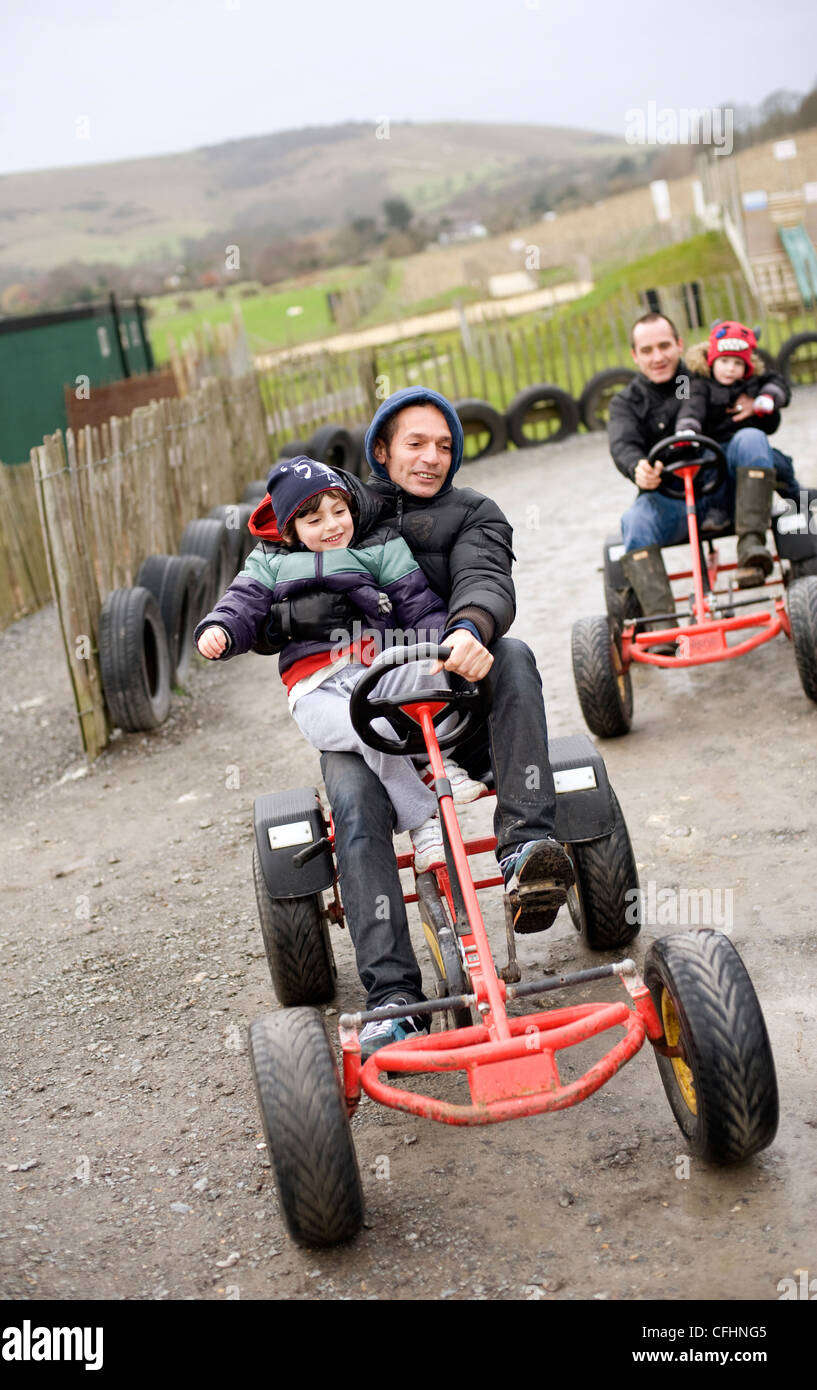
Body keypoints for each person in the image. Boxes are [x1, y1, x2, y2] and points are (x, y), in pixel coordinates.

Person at [298, 386, 574, 1059]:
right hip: (374, 725)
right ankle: (394, 995)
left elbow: (485, 580)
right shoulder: (344, 514)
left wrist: (469, 629)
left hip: (456, 705)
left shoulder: (475, 512)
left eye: (443, 445)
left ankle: (522, 851)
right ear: (382, 450)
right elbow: (278, 562)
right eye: (415, 444)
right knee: (351, 800)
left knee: (511, 654)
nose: (430, 457)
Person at [193, 456, 486, 874]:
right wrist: (219, 628)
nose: (332, 526)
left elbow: (419, 606)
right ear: (290, 530)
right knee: (374, 729)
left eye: (339, 511)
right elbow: (241, 603)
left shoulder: (378, 546)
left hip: (375, 666)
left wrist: (444, 644)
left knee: (429, 669)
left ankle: (438, 764)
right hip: (316, 688)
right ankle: (424, 824)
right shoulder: (270, 563)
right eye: (314, 521)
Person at [608, 312, 802, 625]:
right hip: (670, 496)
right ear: (634, 355)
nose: (657, 357)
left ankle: (753, 550)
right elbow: (622, 444)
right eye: (646, 350)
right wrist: (637, 467)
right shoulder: (626, 402)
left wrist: (757, 404)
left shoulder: (712, 373)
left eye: (664, 346)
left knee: (752, 439)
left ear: (679, 344)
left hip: (725, 489)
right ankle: (661, 625)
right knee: (633, 521)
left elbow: (770, 413)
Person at [675, 319, 801, 586]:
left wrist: (765, 400)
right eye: (724, 362)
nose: (731, 369)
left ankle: (795, 505)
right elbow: (690, 407)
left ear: (747, 365)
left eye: (737, 363)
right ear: (711, 360)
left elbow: (778, 384)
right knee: (711, 468)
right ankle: (719, 512)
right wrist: (687, 429)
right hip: (717, 451)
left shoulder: (754, 381)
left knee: (779, 463)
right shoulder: (693, 381)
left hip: (755, 452)